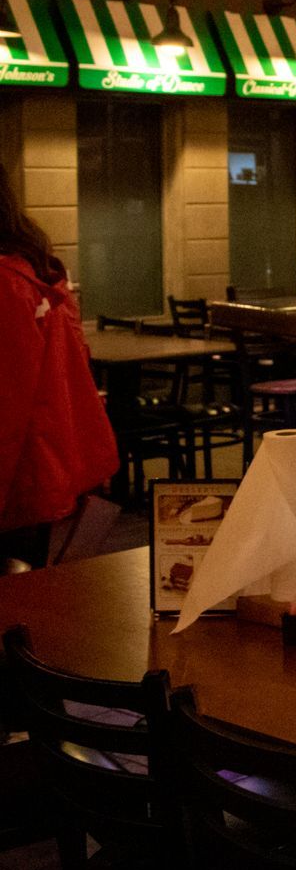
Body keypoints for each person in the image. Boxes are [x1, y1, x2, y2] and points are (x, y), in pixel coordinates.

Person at [0, 158, 118, 567]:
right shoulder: (35, 272)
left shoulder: (9, 284)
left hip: (22, 484)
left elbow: (7, 408)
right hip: (47, 470)